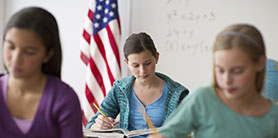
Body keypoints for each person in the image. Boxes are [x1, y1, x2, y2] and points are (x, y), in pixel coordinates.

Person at [148, 24, 278, 138]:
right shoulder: (202, 99)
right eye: (220, 70)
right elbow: (168, 133)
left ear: (260, 63)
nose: (226, 80)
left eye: (237, 71)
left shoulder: (273, 117)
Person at [86, 32, 189, 137]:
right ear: (126, 63)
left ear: (156, 58)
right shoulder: (120, 89)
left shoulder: (178, 94)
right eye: (135, 65)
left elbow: (191, 129)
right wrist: (98, 125)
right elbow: (91, 124)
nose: (142, 71)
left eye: (147, 63)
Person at [0, 7, 83, 138]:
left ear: (48, 54)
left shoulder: (64, 99)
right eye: (11, 47)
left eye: (29, 52)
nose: (16, 59)